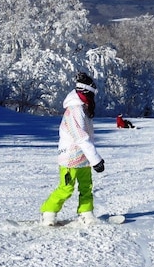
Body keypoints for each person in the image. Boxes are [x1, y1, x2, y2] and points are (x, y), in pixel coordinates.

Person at [40, 72, 106, 225]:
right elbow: (81, 137)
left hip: (83, 157)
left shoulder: (83, 108)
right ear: (86, 92)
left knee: (86, 186)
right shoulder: (75, 110)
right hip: (70, 157)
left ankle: (86, 213)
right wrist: (96, 160)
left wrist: (91, 158)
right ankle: (48, 212)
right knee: (66, 187)